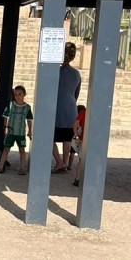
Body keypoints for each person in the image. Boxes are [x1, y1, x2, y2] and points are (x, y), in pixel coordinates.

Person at [52, 42, 82, 174]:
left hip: (56, 108)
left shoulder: (55, 72)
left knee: (50, 138)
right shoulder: (76, 74)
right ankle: (64, 163)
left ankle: (58, 162)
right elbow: (76, 94)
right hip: (71, 109)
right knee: (66, 139)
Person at [0, 85, 33, 175]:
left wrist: (29, 131)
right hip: (11, 131)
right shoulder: (11, 105)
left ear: (24, 94)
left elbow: (29, 120)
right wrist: (5, 127)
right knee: (6, 149)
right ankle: (0, 166)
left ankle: (22, 168)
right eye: (15, 94)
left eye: (20, 94)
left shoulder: (27, 107)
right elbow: (6, 117)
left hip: (20, 133)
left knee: (22, 150)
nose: (17, 96)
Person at [72, 105, 87, 187]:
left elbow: (75, 123)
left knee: (81, 160)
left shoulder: (84, 112)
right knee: (82, 160)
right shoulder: (85, 112)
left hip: (82, 140)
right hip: (84, 140)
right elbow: (76, 123)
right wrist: (77, 136)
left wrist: (76, 136)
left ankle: (78, 179)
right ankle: (78, 179)